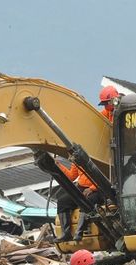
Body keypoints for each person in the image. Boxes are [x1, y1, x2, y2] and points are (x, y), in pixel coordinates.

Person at [52, 86, 120, 242]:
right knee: (63, 200)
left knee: (87, 202)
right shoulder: (79, 156)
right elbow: (72, 175)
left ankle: (80, 232)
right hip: (84, 187)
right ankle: (66, 233)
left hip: (98, 188)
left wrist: (92, 188)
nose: (105, 107)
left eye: (106, 103)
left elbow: (106, 176)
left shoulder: (101, 157)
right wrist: (57, 165)